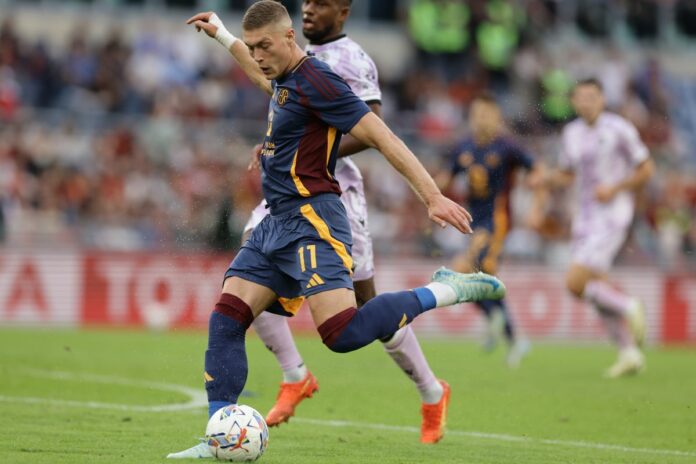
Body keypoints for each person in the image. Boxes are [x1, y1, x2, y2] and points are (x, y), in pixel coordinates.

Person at [168, 2, 505, 458]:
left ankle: (444, 290)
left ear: (289, 38)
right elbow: (262, 77)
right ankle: (218, 437)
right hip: (276, 220)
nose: (258, 55)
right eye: (253, 47)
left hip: (314, 220)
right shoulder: (283, 76)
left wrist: (432, 197)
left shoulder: (320, 80)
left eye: (264, 45)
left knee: (341, 334)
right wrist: (225, 37)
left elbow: (382, 135)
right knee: (227, 318)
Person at [224, 0, 451, 443]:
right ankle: (295, 374)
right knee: (249, 266)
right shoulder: (288, 53)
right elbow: (270, 89)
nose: (310, 9)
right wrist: (221, 34)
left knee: (364, 306)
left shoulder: (352, 59)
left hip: (335, 192)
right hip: (288, 194)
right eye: (307, 2)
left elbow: (371, 126)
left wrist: (300, 146)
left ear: (343, 11)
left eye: (321, 4)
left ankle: (430, 389)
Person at [536, 78, 653, 378]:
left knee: (575, 282)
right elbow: (567, 174)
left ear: (602, 99)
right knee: (594, 288)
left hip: (612, 216)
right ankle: (629, 352)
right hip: (584, 219)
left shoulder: (619, 129)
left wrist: (615, 188)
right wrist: (546, 179)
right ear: (574, 102)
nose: (586, 102)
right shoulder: (571, 133)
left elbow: (646, 169)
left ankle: (630, 305)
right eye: (581, 97)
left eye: (592, 96)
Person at [437, 94, 540, 368]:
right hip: (473, 222)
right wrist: (428, 190)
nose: (481, 119)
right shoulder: (464, 146)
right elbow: (447, 176)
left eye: (486, 114)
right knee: (482, 279)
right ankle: (512, 336)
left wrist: (535, 198)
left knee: (462, 270)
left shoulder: (507, 147)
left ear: (497, 118)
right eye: (477, 114)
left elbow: (535, 169)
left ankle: (495, 320)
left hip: (497, 220)